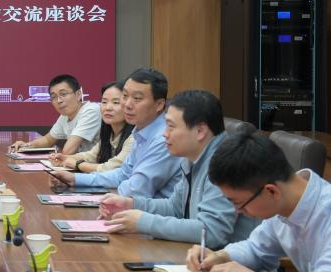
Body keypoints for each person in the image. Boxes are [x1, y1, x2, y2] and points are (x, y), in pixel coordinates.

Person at [186, 133, 331, 272]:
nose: (238, 212)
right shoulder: (285, 202)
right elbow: (256, 249)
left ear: (271, 191)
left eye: (239, 204)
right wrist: (220, 257)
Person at [99, 90, 259, 246]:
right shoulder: (192, 157)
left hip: (230, 262)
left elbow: (211, 233)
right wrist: (131, 204)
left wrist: (143, 222)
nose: (164, 134)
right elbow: (175, 208)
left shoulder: (226, 163)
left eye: (171, 127)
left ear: (200, 131)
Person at [49, 67, 183, 198]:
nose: (127, 104)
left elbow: (136, 190)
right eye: (125, 96)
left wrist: (79, 168)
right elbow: (122, 175)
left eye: (137, 98)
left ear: (159, 104)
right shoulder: (140, 131)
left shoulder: (163, 138)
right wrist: (75, 179)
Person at [49, 80, 134, 173]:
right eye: (104, 102)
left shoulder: (134, 137)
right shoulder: (109, 134)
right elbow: (91, 156)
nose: (108, 107)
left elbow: (111, 168)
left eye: (116, 102)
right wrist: (64, 158)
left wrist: (78, 164)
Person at [9, 74, 102, 155]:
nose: (59, 100)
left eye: (63, 94)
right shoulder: (65, 116)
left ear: (78, 95)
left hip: (99, 167)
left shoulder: (91, 111)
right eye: (54, 97)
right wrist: (26, 146)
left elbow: (68, 151)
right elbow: (48, 140)